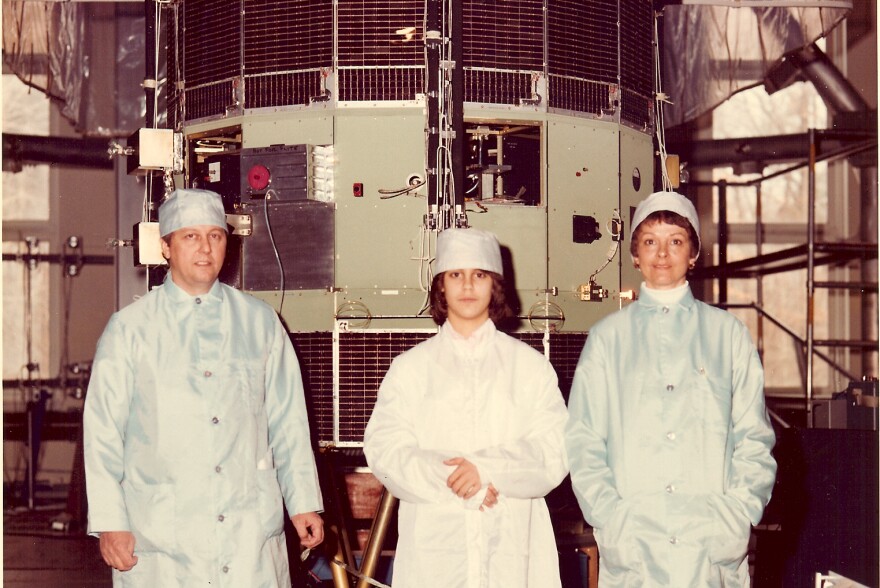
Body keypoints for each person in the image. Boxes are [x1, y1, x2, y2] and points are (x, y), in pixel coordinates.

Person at [83, 188, 324, 587]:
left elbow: (288, 423)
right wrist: (110, 521)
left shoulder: (260, 322)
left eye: (215, 235)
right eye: (190, 236)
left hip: (248, 529)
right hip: (163, 531)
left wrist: (302, 503)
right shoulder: (130, 329)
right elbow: (103, 433)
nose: (205, 248)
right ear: (165, 247)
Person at [565, 191, 777, 587]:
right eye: (650, 242)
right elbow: (583, 440)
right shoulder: (607, 338)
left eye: (675, 241)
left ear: (693, 254)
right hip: (634, 540)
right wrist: (611, 516)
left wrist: (739, 513)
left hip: (710, 543)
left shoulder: (726, 334)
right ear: (634, 255)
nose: (662, 254)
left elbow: (754, 437)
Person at [363, 227, 569, 587]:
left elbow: (555, 450)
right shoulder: (411, 369)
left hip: (512, 544)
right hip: (437, 548)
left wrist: (488, 469)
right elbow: (386, 451)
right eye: (456, 275)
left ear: (495, 286)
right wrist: (457, 482)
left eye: (480, 275)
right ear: (441, 285)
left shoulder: (530, 367)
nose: (468, 286)